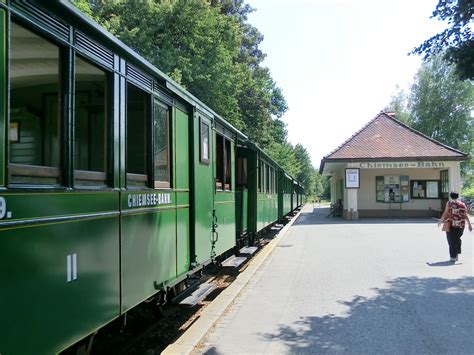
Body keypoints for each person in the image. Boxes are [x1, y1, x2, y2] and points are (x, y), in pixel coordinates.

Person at [438, 192, 472, 262]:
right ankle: (456, 256)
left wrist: (440, 221)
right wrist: (469, 224)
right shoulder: (463, 204)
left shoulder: (449, 203)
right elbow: (465, 215)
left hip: (451, 224)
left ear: (450, 196)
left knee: (451, 240)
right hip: (461, 225)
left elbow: (445, 212)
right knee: (457, 239)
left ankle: (453, 257)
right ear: (457, 196)